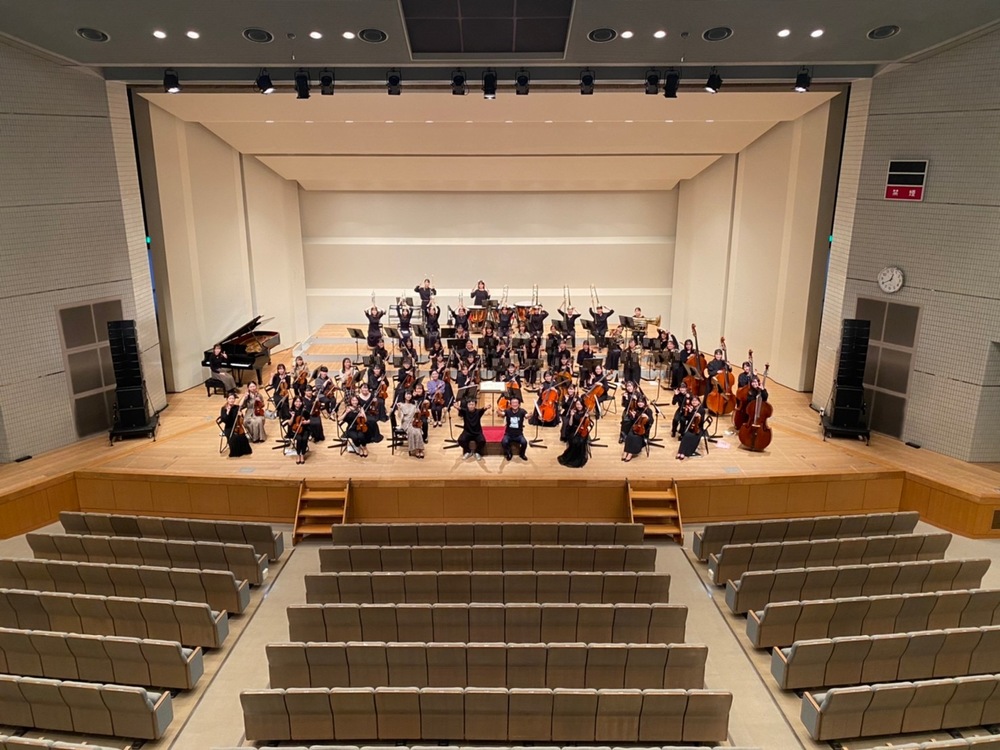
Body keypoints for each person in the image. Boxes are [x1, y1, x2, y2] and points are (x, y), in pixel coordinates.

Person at [558, 398, 591, 468]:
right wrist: (571, 416)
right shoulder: (573, 411)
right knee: (574, 440)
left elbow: (588, 424)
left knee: (580, 441)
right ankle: (572, 456)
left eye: (580, 404)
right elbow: (570, 424)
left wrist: (587, 417)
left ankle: (578, 457)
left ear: (582, 405)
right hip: (573, 429)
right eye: (577, 404)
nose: (578, 406)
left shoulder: (585, 412)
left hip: (583, 430)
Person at [395, 389, 426, 458]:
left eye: (410, 394)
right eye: (407, 394)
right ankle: (416, 450)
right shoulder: (401, 405)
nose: (408, 396)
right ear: (404, 395)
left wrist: (418, 411)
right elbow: (399, 416)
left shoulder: (414, 405)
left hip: (413, 422)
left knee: (418, 431)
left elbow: (418, 415)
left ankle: (420, 449)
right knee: (412, 431)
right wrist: (399, 408)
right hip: (406, 423)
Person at [622, 396, 653, 463]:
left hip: (643, 429)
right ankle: (626, 451)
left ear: (644, 403)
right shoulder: (636, 409)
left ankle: (630, 453)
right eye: (639, 402)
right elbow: (633, 421)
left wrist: (647, 418)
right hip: (635, 426)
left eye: (642, 402)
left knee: (635, 437)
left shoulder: (648, 411)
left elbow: (651, 422)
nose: (640, 404)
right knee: (629, 435)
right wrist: (632, 416)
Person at [501, 397, 528, 461]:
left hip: (519, 435)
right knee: (504, 442)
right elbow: (502, 414)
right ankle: (509, 453)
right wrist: (499, 412)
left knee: (524, 442)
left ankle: (522, 454)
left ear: (519, 404)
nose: (514, 404)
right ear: (510, 404)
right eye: (513, 403)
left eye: (516, 403)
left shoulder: (522, 411)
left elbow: (526, 416)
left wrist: (530, 415)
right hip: (508, 434)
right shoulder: (507, 411)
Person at [289, 396, 310, 464]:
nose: (298, 403)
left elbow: (310, 419)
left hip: (305, 428)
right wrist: (292, 416)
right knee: (299, 439)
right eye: (296, 401)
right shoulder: (291, 410)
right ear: (294, 402)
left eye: (300, 401)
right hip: (295, 429)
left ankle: (302, 454)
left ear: (302, 402)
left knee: (304, 439)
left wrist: (306, 422)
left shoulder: (304, 410)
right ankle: (298, 454)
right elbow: (289, 423)